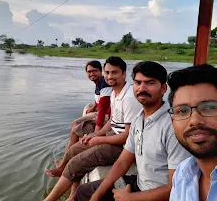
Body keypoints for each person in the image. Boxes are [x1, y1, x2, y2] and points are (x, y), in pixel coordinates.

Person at [75, 61, 191, 201]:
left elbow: (176, 187)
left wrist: (132, 198)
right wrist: (97, 194)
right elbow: (123, 161)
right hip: (138, 184)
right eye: (138, 82)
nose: (142, 88)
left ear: (163, 89)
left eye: (150, 83)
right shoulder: (138, 119)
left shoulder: (172, 127)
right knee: (84, 192)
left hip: (157, 195)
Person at [44, 56, 142, 201]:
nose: (110, 76)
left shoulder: (128, 97)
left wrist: (98, 140)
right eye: (107, 72)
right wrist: (96, 134)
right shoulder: (115, 93)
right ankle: (71, 195)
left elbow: (127, 136)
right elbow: (113, 121)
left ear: (124, 73)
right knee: (73, 150)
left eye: (114, 72)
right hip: (113, 135)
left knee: (76, 163)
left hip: (124, 146)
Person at [46, 60, 112, 175]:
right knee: (74, 123)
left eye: (94, 71)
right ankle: (63, 161)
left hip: (106, 116)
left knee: (75, 128)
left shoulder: (104, 84)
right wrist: (93, 107)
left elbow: (102, 110)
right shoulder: (98, 84)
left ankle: (62, 165)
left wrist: (97, 132)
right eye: (89, 72)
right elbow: (100, 101)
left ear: (101, 71)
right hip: (102, 112)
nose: (91, 74)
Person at [167, 64, 217, 201]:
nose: (194, 121)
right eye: (182, 111)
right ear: (173, 122)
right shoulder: (183, 173)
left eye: (208, 107)